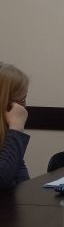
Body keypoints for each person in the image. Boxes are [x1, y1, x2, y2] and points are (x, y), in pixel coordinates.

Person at [0, 62, 30, 190]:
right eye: (22, 100)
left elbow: (22, 180)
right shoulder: (13, 132)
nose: (24, 106)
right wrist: (16, 129)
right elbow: (2, 180)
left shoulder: (5, 134)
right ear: (7, 104)